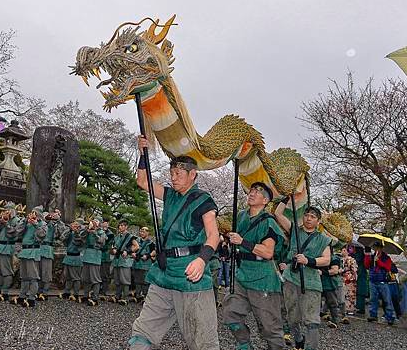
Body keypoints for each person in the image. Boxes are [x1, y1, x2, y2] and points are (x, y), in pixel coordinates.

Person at [129, 136, 220, 350]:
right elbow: (143, 182)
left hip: (191, 273)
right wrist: (143, 155)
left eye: (178, 173)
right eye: (171, 173)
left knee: (203, 342)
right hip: (164, 271)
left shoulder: (203, 200)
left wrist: (201, 260)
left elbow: (213, 235)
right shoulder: (170, 196)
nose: (173, 177)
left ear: (192, 174)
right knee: (142, 334)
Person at [223, 182, 286, 350]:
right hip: (242, 274)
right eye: (251, 190)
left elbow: (267, 252)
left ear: (265, 200)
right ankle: (244, 344)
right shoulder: (241, 216)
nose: (252, 193)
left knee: (269, 327)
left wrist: (243, 241)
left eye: (258, 192)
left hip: (262, 278)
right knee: (230, 313)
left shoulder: (268, 221)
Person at [274, 204, 331, 350]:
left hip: (311, 281)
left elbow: (326, 259)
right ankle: (299, 340)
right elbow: (278, 214)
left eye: (313, 217)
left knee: (311, 320)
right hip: (291, 278)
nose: (309, 218)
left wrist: (309, 260)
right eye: (306, 215)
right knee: (292, 316)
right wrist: (288, 195)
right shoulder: (295, 231)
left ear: (318, 221)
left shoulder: (323, 239)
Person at [12, 206, 47, 307]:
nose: (33, 214)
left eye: (35, 213)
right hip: (24, 250)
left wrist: (35, 224)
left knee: (33, 277)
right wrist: (25, 221)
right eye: (32, 212)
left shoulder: (42, 224)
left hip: (33, 251)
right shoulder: (26, 223)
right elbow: (18, 232)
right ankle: (22, 296)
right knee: (24, 276)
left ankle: (31, 298)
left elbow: (42, 235)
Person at [0, 208, 18, 302]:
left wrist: (6, 223)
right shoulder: (2, 219)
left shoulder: (16, 221)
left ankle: (5, 292)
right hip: (1, 246)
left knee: (7, 271)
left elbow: (14, 234)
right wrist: (1, 221)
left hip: (8, 247)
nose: (6, 212)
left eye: (8, 210)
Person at [38, 209, 66, 301]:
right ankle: (37, 291)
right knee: (37, 271)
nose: (49, 217)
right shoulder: (39, 224)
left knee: (46, 272)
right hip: (37, 248)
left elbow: (63, 232)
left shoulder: (54, 225)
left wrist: (58, 219)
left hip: (47, 249)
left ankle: (44, 292)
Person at [364, 242, 395, 325]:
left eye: (377, 247)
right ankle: (373, 315)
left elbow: (388, 268)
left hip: (383, 281)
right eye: (374, 247)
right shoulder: (372, 256)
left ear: (381, 248)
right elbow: (366, 266)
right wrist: (367, 255)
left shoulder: (386, 258)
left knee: (387, 300)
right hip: (372, 280)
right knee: (373, 299)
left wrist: (379, 261)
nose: (376, 249)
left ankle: (390, 317)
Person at [110, 219, 139, 305]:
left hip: (125, 261)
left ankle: (125, 297)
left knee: (125, 280)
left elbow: (137, 246)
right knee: (117, 279)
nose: (121, 227)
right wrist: (113, 250)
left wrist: (129, 251)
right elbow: (113, 246)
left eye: (123, 225)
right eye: (120, 225)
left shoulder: (130, 236)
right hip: (117, 260)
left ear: (126, 227)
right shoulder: (117, 236)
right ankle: (117, 296)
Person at [80, 215, 107, 306]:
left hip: (95, 255)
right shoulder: (88, 230)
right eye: (94, 220)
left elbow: (101, 241)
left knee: (95, 278)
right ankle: (85, 295)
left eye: (96, 221)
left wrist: (94, 232)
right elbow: (81, 238)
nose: (94, 222)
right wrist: (87, 230)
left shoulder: (101, 232)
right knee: (85, 278)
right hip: (87, 255)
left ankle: (95, 297)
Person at [59, 218, 85, 301]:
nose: (75, 226)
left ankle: (76, 294)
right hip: (68, 256)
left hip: (76, 257)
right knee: (68, 276)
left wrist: (77, 232)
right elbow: (62, 239)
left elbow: (78, 242)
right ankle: (67, 292)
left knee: (76, 277)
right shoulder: (71, 232)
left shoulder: (83, 233)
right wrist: (69, 230)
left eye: (77, 224)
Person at [321, 248, 346, 327]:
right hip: (319, 282)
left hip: (329, 283)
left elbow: (335, 270)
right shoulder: (318, 256)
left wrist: (322, 272)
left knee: (332, 303)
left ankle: (335, 321)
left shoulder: (334, 258)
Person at [131, 226, 156, 303]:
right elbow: (132, 248)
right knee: (137, 280)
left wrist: (148, 256)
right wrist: (133, 254)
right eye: (141, 231)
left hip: (146, 264)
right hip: (137, 263)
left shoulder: (151, 243)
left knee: (145, 281)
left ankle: (146, 296)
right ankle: (137, 295)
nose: (142, 233)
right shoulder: (137, 241)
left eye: (144, 231)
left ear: (148, 233)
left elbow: (155, 251)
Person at [99, 220, 115, 300]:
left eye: (106, 224)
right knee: (98, 273)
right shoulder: (100, 231)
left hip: (105, 255)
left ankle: (104, 290)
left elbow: (106, 245)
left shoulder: (110, 234)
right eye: (103, 224)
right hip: (99, 255)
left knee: (105, 274)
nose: (104, 225)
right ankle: (99, 289)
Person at [341, 245, 358, 316]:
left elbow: (354, 269)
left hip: (350, 278)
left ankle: (350, 309)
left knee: (350, 295)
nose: (341, 252)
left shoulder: (351, 259)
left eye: (343, 250)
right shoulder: (341, 259)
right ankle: (344, 308)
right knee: (344, 294)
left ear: (345, 251)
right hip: (343, 278)